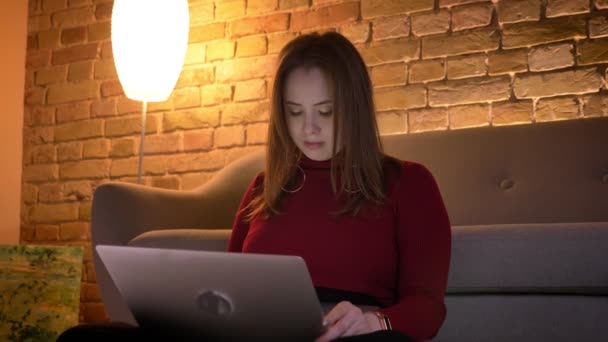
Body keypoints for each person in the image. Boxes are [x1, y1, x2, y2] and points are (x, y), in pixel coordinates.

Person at [57, 31, 450, 342]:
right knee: (84, 338)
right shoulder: (265, 186)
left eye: (326, 112)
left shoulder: (408, 183)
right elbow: (227, 289)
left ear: (356, 107)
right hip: (252, 334)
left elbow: (428, 308)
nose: (308, 128)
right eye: (295, 112)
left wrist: (373, 321)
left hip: (343, 336)